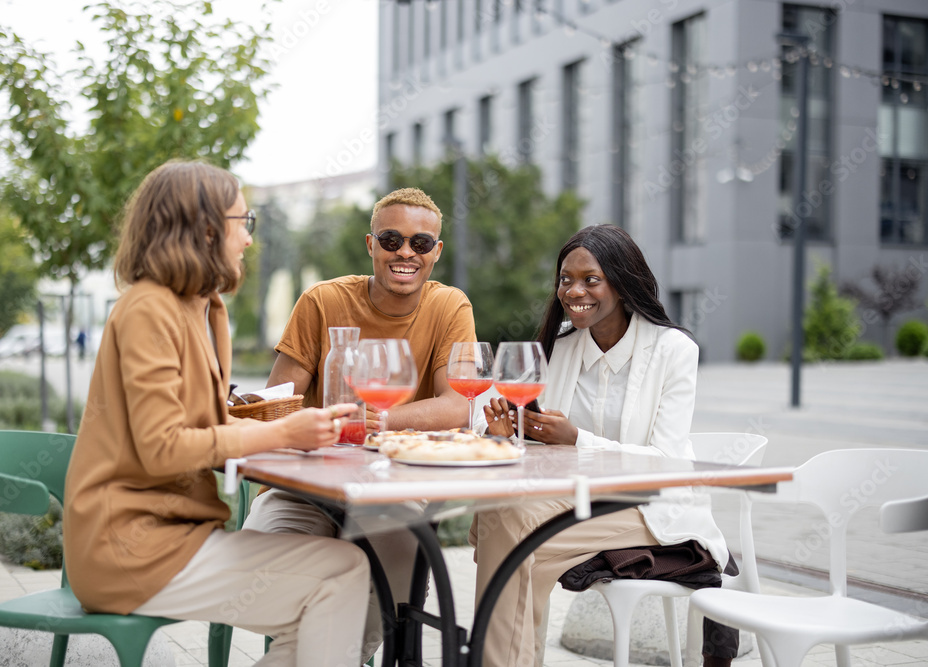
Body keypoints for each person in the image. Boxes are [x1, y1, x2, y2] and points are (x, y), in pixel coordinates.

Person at [63, 160, 370, 666]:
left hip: (173, 537)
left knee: (336, 586)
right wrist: (281, 433)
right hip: (130, 550)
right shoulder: (148, 309)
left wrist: (290, 433)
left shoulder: (202, 307)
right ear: (206, 229)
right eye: (242, 223)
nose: (249, 239)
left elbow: (204, 424)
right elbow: (163, 447)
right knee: (343, 574)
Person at [472, 224, 733, 667]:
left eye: (590, 279)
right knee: (503, 518)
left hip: (650, 507)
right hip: (573, 501)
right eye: (565, 279)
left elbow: (669, 462)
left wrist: (577, 439)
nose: (574, 291)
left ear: (622, 280)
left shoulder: (674, 351)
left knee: (511, 536)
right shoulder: (560, 349)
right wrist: (508, 438)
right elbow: (547, 452)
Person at [242, 186, 476, 661]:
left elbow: (458, 406)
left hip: (395, 490)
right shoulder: (322, 302)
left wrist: (378, 421)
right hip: (305, 484)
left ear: (436, 253)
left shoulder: (450, 306)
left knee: (387, 602)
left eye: (420, 243)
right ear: (371, 245)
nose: (405, 252)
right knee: (262, 574)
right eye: (391, 240)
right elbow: (278, 402)